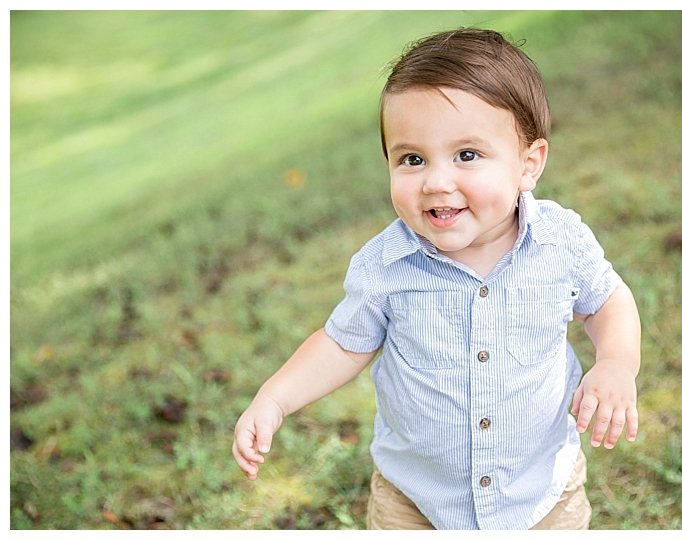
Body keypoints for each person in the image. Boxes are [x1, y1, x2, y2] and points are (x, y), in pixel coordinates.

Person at [232, 27, 641, 530]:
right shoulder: (388, 266)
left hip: (540, 496)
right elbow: (343, 344)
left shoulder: (559, 242)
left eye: (467, 155)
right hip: (416, 502)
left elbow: (607, 301)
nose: (436, 181)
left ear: (528, 164)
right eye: (412, 159)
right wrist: (275, 398)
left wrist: (617, 363)